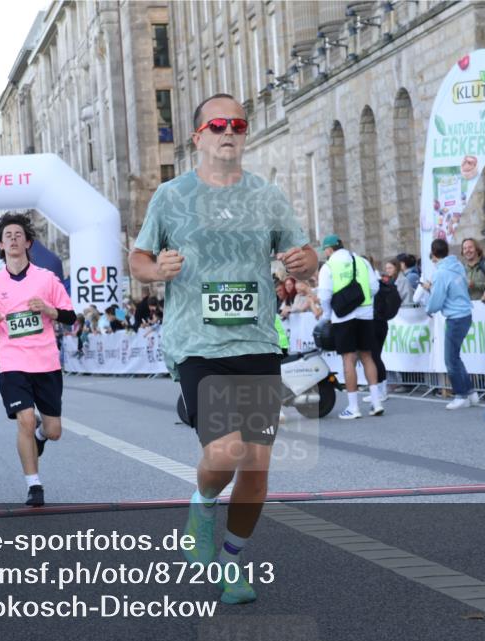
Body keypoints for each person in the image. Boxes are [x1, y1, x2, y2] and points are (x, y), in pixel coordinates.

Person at [129, 92, 317, 605]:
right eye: (217, 124)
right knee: (225, 451)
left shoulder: (268, 196)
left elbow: (306, 253)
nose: (228, 131)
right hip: (197, 342)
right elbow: (138, 258)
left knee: (256, 467)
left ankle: (230, 562)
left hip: (257, 339)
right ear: (199, 137)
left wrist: (305, 263)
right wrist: (155, 269)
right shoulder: (170, 196)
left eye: (237, 123)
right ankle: (201, 504)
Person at [0, 212, 76, 507]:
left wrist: (48, 309)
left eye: (19, 235)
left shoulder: (47, 279)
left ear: (28, 242)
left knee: (53, 431)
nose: (14, 240)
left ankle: (41, 437)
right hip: (13, 362)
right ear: (1, 246)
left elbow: (70, 316)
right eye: (8, 236)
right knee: (26, 420)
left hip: (46, 362)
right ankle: (34, 484)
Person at [317, 235, 384, 419]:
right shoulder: (361, 261)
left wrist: (327, 315)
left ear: (329, 249)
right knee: (367, 356)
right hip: (365, 313)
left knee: (348, 359)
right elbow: (374, 287)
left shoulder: (328, 266)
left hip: (343, 316)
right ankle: (376, 402)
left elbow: (324, 294)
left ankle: (353, 407)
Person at [422, 239, 478, 409]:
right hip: (465, 313)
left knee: (450, 359)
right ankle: (470, 392)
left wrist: (428, 307)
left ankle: (461, 395)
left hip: (455, 316)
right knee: (455, 357)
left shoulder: (440, 273)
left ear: (433, 253)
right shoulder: (458, 265)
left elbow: (437, 300)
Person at [367, 255, 401, 404]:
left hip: (375, 322)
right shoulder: (377, 279)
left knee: (374, 357)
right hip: (378, 321)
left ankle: (381, 390)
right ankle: (376, 389)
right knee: (373, 357)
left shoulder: (375, 280)